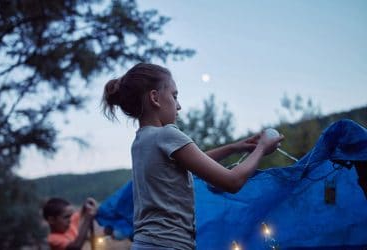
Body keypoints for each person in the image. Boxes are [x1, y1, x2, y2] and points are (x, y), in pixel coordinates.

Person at [101, 63, 284, 250]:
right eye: (174, 96)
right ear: (155, 98)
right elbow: (232, 181)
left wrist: (234, 148)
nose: (178, 106)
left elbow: (190, 161)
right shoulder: (167, 135)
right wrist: (261, 148)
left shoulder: (141, 141)